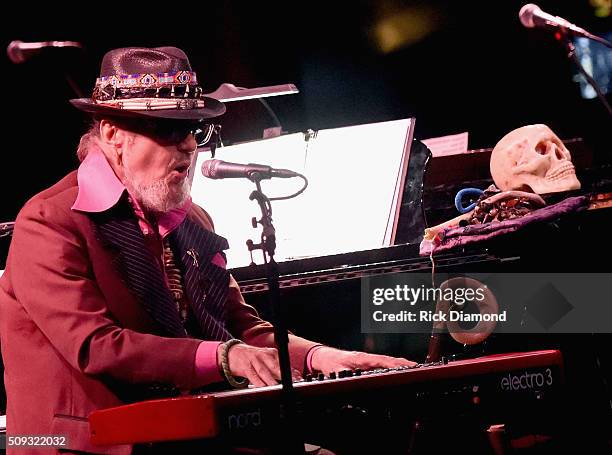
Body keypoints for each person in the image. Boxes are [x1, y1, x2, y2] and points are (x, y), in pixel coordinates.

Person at [0, 46, 414, 454]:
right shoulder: (50, 221)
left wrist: (319, 357)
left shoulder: (192, 220)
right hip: (90, 445)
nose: (187, 146)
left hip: (178, 432)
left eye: (195, 129)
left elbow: (237, 325)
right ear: (112, 134)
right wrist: (223, 357)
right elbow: (96, 345)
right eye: (168, 129)